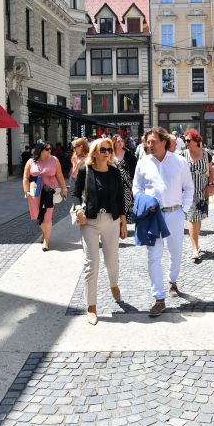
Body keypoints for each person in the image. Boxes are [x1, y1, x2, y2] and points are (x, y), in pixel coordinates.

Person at [133, 127, 194, 317]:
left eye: (153, 141)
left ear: (164, 142)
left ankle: (172, 280)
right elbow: (136, 188)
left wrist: (184, 210)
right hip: (153, 216)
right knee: (153, 256)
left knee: (176, 252)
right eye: (147, 142)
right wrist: (145, 202)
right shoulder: (143, 163)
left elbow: (189, 187)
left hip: (175, 213)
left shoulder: (179, 161)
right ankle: (159, 298)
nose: (149, 145)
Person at [73, 138, 127, 325]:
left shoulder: (114, 172)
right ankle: (91, 306)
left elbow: (120, 198)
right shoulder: (85, 170)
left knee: (112, 260)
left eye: (109, 150)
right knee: (92, 263)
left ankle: (113, 284)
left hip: (111, 221)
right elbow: (75, 194)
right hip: (89, 221)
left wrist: (123, 222)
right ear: (94, 152)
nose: (107, 153)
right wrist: (77, 208)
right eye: (103, 150)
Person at [23, 140, 68, 251]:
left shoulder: (54, 160)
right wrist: (26, 191)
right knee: (39, 215)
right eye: (47, 149)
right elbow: (25, 177)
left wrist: (64, 188)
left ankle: (46, 241)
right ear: (40, 150)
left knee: (47, 215)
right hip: (35, 192)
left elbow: (59, 175)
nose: (50, 151)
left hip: (48, 192)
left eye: (50, 149)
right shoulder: (31, 161)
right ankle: (44, 234)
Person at [182, 129, 214, 262]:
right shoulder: (182, 155)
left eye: (188, 140)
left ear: (196, 141)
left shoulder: (206, 154)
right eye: (185, 140)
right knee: (192, 218)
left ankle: (196, 243)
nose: (186, 143)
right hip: (188, 193)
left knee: (198, 218)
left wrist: (210, 185)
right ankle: (195, 248)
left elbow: (211, 171)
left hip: (202, 191)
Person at [112, 134, 137, 223]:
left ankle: (123, 223)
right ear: (114, 143)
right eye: (118, 142)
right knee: (115, 203)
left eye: (121, 141)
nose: (120, 143)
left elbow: (135, 169)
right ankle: (117, 223)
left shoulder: (129, 154)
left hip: (126, 184)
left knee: (125, 203)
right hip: (113, 184)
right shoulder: (110, 154)